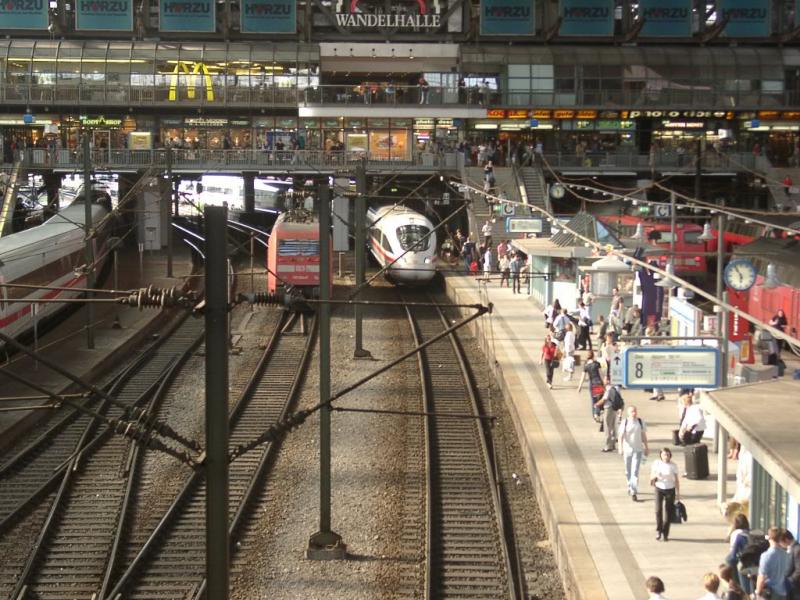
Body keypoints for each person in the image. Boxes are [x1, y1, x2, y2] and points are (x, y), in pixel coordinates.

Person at [618, 405, 649, 501]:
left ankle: (633, 491)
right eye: (632, 411)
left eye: (635, 411)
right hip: (627, 450)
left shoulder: (640, 422)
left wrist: (646, 447)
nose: (634, 413)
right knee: (628, 471)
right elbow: (621, 436)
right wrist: (620, 447)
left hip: (638, 449)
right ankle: (629, 485)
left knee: (635, 471)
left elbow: (643, 434)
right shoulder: (625, 422)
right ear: (628, 413)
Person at [650, 447, 680, 542]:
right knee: (658, 510)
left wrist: (678, 493)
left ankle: (665, 533)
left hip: (670, 489)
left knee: (668, 512)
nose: (665, 457)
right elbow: (651, 476)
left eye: (667, 455)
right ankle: (659, 530)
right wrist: (656, 476)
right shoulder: (657, 463)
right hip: (659, 488)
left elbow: (676, 480)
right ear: (661, 456)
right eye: (664, 455)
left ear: (670, 456)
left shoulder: (673, 466)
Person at [756, 527, 792, 600]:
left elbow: (761, 578)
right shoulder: (786, 555)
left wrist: (758, 592)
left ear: (769, 538)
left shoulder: (766, 556)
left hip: (771, 592)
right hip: (782, 591)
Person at [595, 378, 622, 452]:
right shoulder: (615, 388)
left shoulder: (608, 389)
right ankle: (613, 444)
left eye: (605, 379)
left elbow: (604, 399)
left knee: (607, 427)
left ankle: (607, 446)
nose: (603, 381)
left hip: (608, 408)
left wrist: (596, 404)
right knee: (613, 426)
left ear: (608, 381)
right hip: (614, 409)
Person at [577, 350, 605, 420]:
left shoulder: (586, 365)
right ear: (593, 356)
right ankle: (597, 413)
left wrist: (579, 386)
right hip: (598, 383)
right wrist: (604, 384)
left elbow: (583, 377)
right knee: (600, 399)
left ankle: (595, 415)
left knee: (593, 400)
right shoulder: (597, 364)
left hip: (592, 384)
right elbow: (601, 374)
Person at [780, 530, 800, 600]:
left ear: (786, 540)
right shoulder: (791, 548)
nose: (780, 544)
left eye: (780, 542)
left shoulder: (797, 549)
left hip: (795, 587)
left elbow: (799, 570)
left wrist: (790, 580)